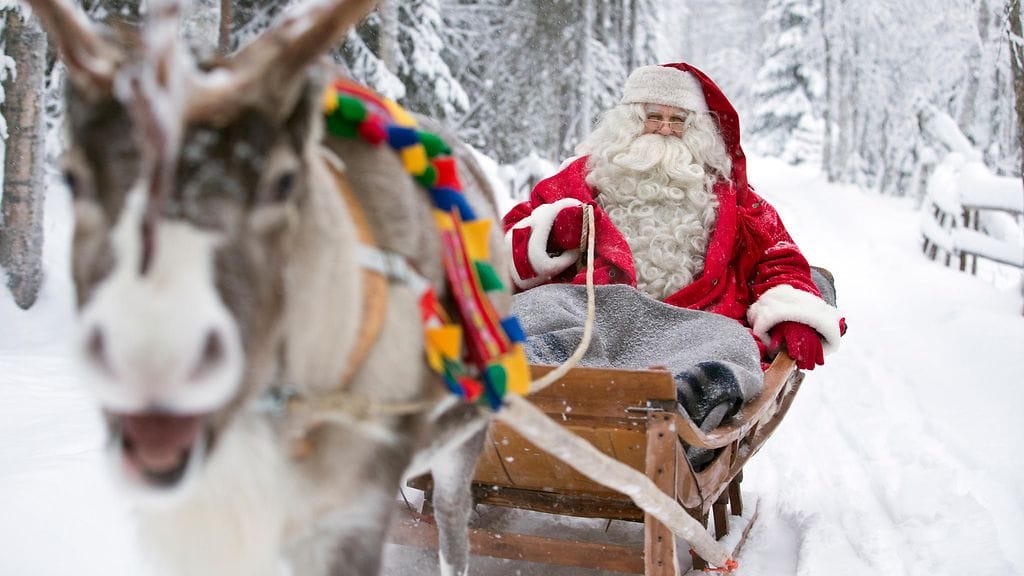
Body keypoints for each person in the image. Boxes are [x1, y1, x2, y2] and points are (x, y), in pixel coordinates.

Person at [502, 63, 845, 438]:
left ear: (696, 130)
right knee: (535, 309)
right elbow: (498, 252)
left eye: (678, 120)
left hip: (689, 324)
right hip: (592, 315)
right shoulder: (580, 179)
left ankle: (682, 413)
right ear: (629, 123)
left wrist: (791, 312)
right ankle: (526, 367)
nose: (665, 128)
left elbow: (777, 257)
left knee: (730, 344)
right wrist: (550, 235)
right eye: (653, 117)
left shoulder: (732, 196)